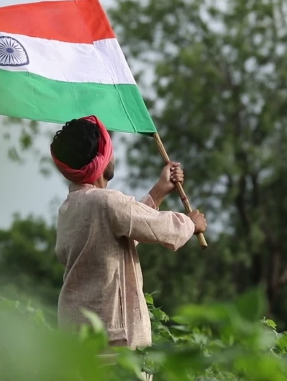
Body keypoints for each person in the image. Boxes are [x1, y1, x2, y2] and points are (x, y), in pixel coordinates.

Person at [50, 115, 207, 352]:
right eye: (110, 149)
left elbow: (123, 229)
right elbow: (157, 226)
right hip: (113, 344)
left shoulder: (69, 208)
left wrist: (160, 189)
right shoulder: (107, 202)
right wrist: (190, 223)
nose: (113, 155)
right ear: (101, 158)